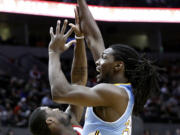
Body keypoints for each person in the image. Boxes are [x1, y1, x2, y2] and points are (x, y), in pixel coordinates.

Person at [48, 3, 160, 135]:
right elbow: (94, 39)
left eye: (104, 58)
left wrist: (54, 52)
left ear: (118, 66)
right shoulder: (120, 89)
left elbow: (60, 93)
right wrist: (82, 5)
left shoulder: (112, 92)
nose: (97, 62)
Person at [29, 9, 87, 135]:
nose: (56, 108)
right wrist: (53, 52)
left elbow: (78, 84)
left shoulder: (72, 124)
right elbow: (59, 92)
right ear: (50, 121)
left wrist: (80, 38)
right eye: (51, 109)